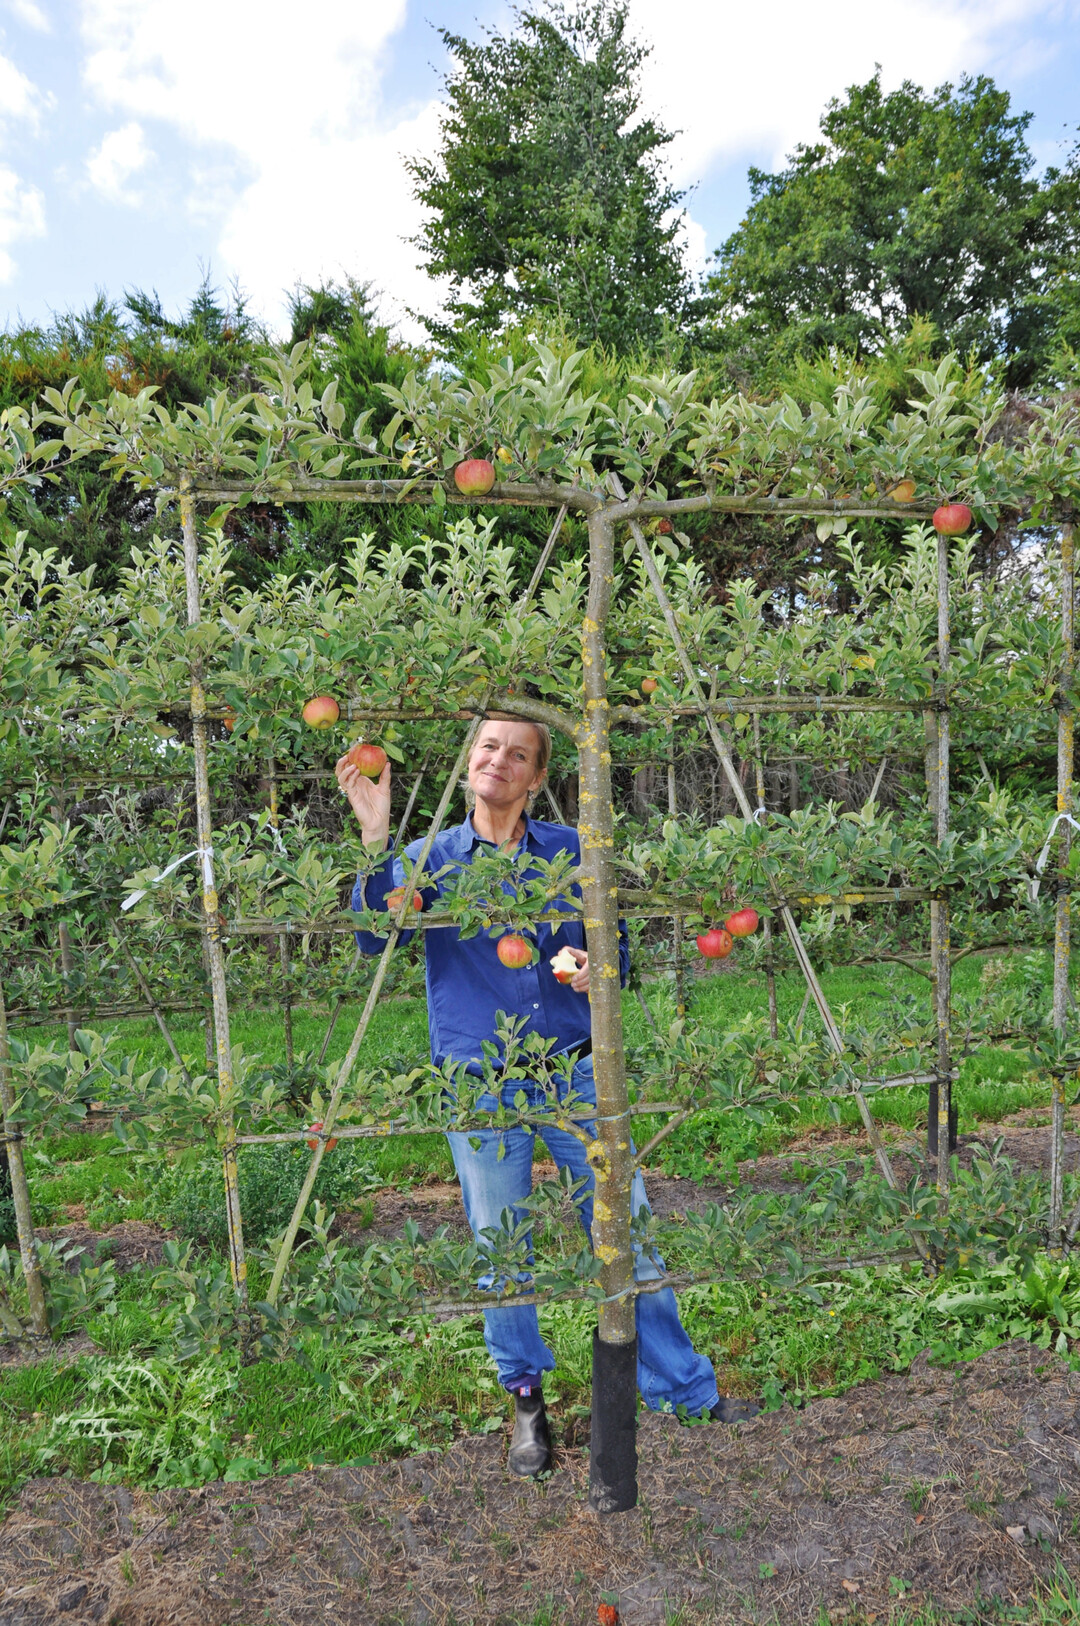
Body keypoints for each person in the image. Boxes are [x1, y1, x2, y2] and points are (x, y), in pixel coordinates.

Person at [338, 714, 758, 1477]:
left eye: (518, 753)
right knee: (502, 1249)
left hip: (574, 1070)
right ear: (471, 760)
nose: (498, 760)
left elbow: (613, 947)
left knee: (629, 1229)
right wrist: (375, 837)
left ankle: (683, 1389)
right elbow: (375, 936)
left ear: (535, 778)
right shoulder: (429, 859)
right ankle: (527, 1402)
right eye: (488, 746)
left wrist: (599, 966)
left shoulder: (571, 852)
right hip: (482, 1083)